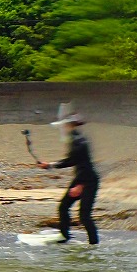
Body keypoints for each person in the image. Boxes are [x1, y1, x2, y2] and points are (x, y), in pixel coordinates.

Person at [38, 103, 99, 244]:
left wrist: (80, 185)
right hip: (81, 178)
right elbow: (71, 161)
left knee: (84, 216)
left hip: (88, 180)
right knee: (63, 207)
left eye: (65, 125)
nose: (62, 128)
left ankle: (94, 245)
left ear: (71, 125)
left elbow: (84, 165)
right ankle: (64, 237)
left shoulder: (79, 142)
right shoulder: (74, 139)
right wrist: (50, 165)